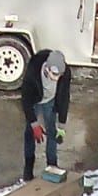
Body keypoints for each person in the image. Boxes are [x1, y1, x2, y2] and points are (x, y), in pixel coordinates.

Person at [20, 47, 70, 182]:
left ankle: (52, 167)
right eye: (54, 75)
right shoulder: (33, 71)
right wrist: (34, 124)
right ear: (47, 68)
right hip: (35, 100)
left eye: (59, 75)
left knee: (52, 131)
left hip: (50, 101)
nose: (56, 79)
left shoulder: (65, 74)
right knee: (29, 133)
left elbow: (64, 97)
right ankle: (28, 170)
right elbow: (26, 101)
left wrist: (62, 126)